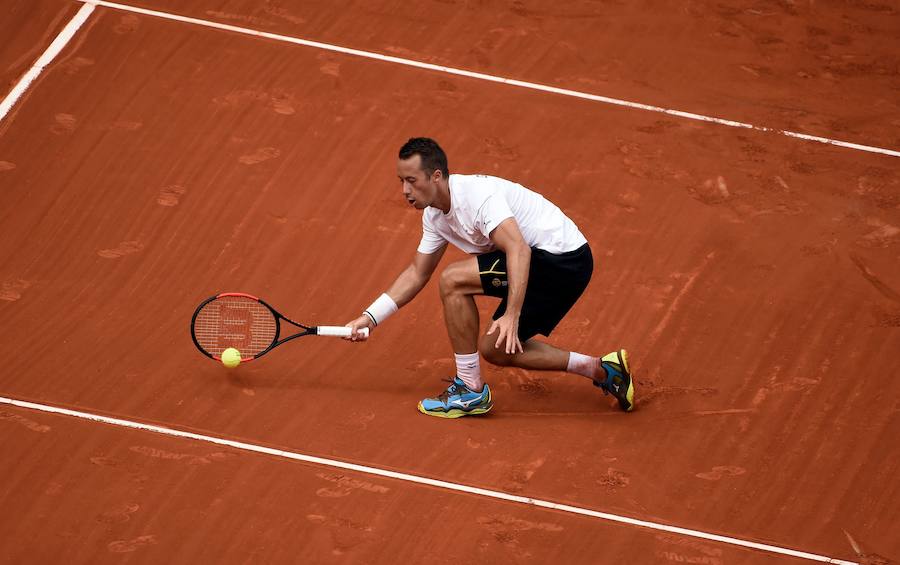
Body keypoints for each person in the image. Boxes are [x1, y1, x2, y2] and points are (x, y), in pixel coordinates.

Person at [345, 137, 633, 417]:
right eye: (401, 181)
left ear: (435, 176)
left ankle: (469, 390)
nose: (405, 190)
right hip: (545, 264)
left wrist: (512, 313)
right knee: (495, 349)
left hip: (562, 259)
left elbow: (519, 248)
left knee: (452, 279)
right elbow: (417, 273)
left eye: (411, 180)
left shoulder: (477, 198)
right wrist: (370, 317)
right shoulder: (434, 217)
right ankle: (602, 369)